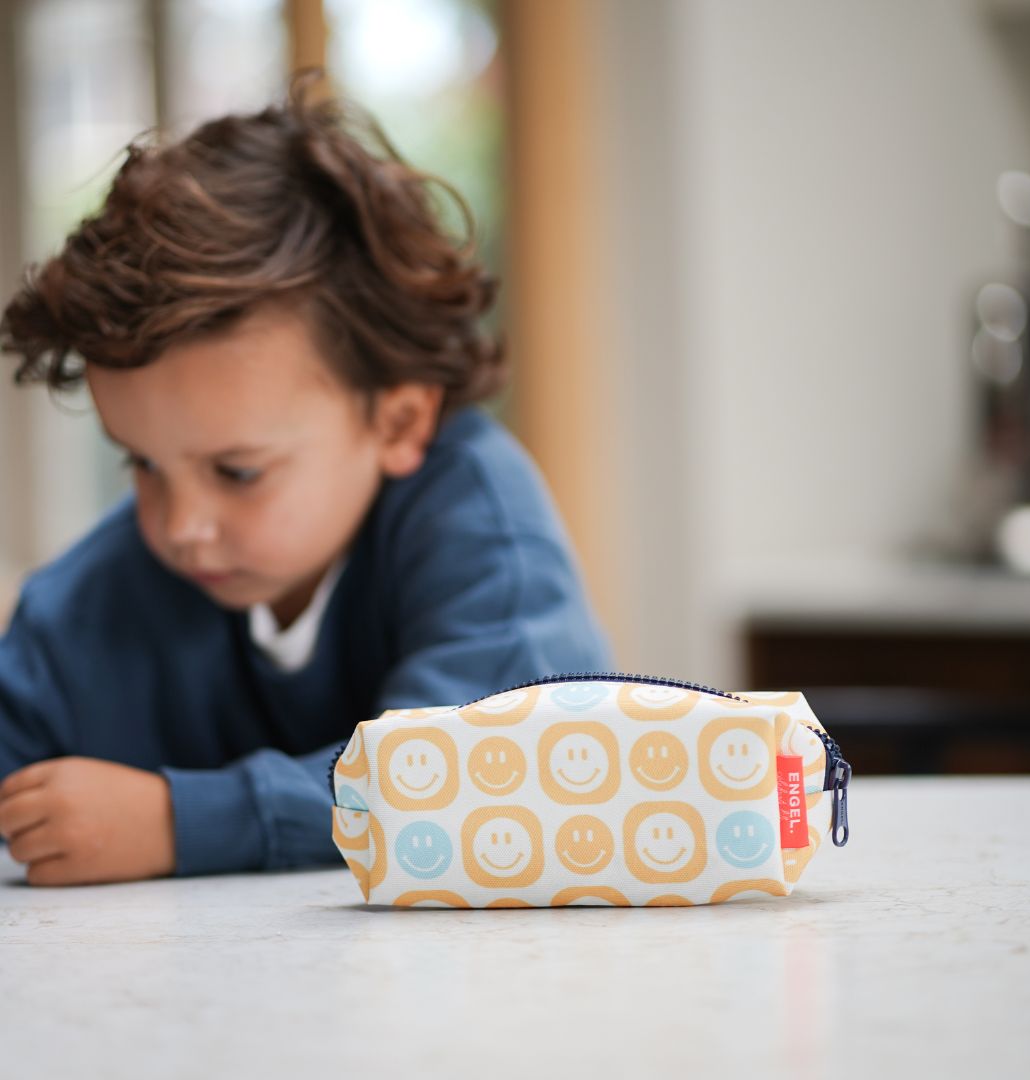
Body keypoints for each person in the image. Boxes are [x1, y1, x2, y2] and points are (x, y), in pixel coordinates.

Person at [0, 74, 613, 887]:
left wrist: (182, 824)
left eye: (238, 471)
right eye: (142, 462)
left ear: (397, 423)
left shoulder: (477, 518)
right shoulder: (83, 611)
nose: (181, 524)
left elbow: (491, 769)